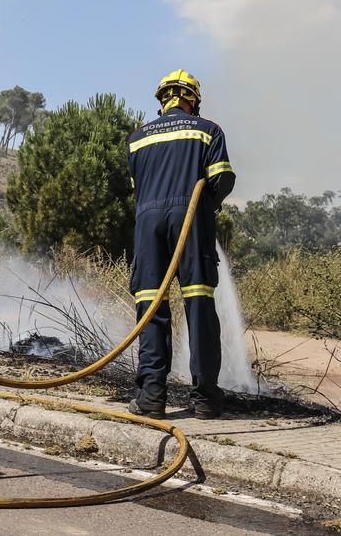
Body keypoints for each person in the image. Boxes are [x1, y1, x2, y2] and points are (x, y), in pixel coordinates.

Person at [126, 69, 235, 419]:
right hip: (189, 220)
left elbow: (137, 187)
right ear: (193, 99)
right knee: (199, 306)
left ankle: (152, 398)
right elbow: (223, 178)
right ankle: (205, 399)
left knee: (151, 307)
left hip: (147, 224)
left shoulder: (137, 138)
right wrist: (203, 210)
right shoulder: (208, 130)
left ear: (162, 99)